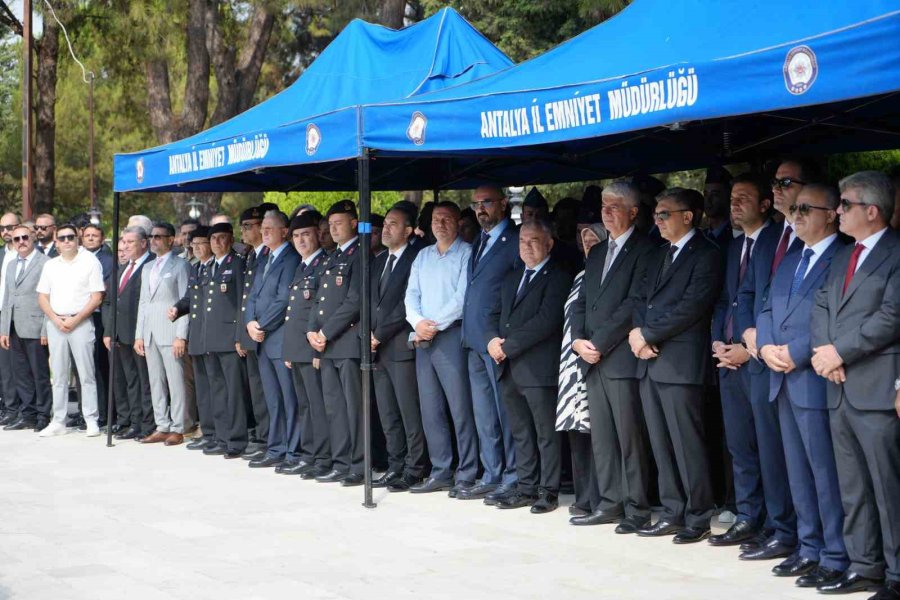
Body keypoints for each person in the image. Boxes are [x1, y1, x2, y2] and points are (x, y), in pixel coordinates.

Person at [810, 171, 900, 598]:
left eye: (844, 205)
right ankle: (865, 565)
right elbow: (822, 305)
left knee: (887, 486)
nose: (837, 211)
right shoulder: (845, 255)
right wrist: (822, 352)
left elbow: (891, 317)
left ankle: (897, 574)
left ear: (871, 210)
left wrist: (838, 352)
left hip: (876, 386)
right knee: (853, 485)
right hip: (839, 385)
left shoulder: (898, 253)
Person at [757, 183, 848, 588]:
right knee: (798, 473)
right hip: (781, 377)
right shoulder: (791, 257)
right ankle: (808, 548)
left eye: (805, 208)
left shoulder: (844, 257)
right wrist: (763, 346)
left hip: (814, 379)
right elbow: (765, 307)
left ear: (831, 213)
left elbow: (833, 319)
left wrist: (794, 351)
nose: (795, 215)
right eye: (793, 209)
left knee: (824, 474)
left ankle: (835, 553)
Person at [628, 188, 723, 544]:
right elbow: (640, 298)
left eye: (665, 213)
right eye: (656, 213)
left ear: (688, 216)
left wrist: (648, 334)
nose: (658, 219)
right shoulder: (658, 254)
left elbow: (693, 305)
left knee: (687, 442)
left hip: (680, 360)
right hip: (648, 358)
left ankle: (697, 515)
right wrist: (638, 334)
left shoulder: (706, 254)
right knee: (661, 441)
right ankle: (672, 511)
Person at [709, 173, 797, 554]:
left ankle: (779, 525)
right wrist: (718, 341)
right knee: (740, 445)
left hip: (760, 361)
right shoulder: (733, 246)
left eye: (744, 196)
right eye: (732, 197)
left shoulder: (778, 242)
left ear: (765, 204)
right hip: (729, 359)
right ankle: (749, 516)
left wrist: (748, 348)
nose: (735, 203)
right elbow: (726, 299)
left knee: (770, 448)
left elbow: (771, 306)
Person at [734, 159, 812, 560]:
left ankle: (803, 537)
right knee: (770, 450)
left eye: (786, 182)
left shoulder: (815, 238)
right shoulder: (768, 238)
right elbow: (748, 293)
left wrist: (770, 343)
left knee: (798, 457)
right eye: (775, 182)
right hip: (760, 356)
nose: (777, 189)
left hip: (794, 362)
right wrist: (750, 333)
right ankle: (781, 530)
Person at [570, 179, 655, 532]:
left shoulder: (647, 249)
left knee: (629, 437)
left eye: (614, 206)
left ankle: (636, 508)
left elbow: (634, 304)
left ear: (633, 212)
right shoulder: (598, 252)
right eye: (603, 206)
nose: (605, 212)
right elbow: (582, 303)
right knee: (603, 436)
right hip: (591, 357)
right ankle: (609, 501)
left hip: (619, 357)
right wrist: (578, 340)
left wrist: (599, 343)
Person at [487, 219, 571, 513]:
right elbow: (496, 314)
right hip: (510, 368)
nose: (527, 246)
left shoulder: (558, 276)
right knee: (521, 432)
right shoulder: (512, 277)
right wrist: (490, 342)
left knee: (545, 433)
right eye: (523, 241)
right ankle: (525, 487)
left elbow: (546, 321)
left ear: (549, 244)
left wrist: (506, 347)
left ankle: (548, 491)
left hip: (538, 370)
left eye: (534, 241)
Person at [404, 201, 478, 494]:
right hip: (423, 337)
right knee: (431, 408)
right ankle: (441, 470)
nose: (440, 224)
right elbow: (411, 295)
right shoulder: (423, 256)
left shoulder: (466, 253)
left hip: (450, 336)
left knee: (460, 408)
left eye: (447, 218)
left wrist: (433, 325)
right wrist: (418, 322)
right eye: (436, 219)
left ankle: (468, 470)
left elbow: (462, 298)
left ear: (458, 222)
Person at [460, 184, 520, 503]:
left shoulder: (514, 241)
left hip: (496, 339)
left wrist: (503, 333)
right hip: (472, 338)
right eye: (476, 204)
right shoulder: (479, 241)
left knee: (504, 411)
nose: (480, 209)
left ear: (504, 204)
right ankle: (491, 472)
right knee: (484, 414)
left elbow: (514, 292)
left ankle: (513, 475)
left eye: (486, 203)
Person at [370, 204, 428, 492]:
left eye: (394, 224)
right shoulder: (380, 261)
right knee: (388, 413)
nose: (386, 228)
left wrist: (378, 334)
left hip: (400, 346)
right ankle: (395, 465)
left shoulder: (415, 259)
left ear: (408, 230)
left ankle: (415, 467)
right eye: (386, 223)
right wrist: (369, 332)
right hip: (378, 348)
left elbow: (405, 305)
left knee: (409, 412)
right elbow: (372, 302)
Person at [307, 200, 364, 486]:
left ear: (354, 223)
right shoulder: (332, 257)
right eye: (330, 225)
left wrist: (325, 332)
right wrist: (311, 330)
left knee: (354, 409)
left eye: (338, 223)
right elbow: (318, 300)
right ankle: (341, 462)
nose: (333, 228)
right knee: (335, 409)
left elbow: (354, 301)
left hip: (347, 342)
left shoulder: (360, 254)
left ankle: (359, 464)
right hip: (326, 345)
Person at [181, 223, 247, 459]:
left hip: (229, 338)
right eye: (214, 239)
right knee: (217, 391)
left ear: (230, 239)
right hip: (210, 337)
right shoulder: (208, 268)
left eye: (222, 238)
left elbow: (242, 302)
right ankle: (220, 436)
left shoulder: (237, 264)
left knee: (233, 391)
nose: (217, 243)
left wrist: (240, 336)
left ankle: (236, 439)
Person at [555, 222, 606, 518]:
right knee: (577, 431)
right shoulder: (580, 275)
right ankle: (584, 496)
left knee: (596, 432)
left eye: (594, 240)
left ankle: (600, 497)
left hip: (593, 358)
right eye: (584, 240)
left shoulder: (603, 276)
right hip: (570, 363)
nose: (588, 245)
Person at [35, 223, 105, 437]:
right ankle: (58, 420)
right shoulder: (51, 265)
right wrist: (56, 319)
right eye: (62, 238)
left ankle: (91, 419)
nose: (66, 241)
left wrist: (75, 320)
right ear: (56, 242)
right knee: (59, 374)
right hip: (56, 323)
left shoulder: (90, 262)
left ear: (78, 239)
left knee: (86, 374)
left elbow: (97, 297)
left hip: (81, 322)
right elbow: (42, 297)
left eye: (70, 237)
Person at [245, 210, 302, 470]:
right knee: (272, 399)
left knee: (289, 398)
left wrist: (262, 326)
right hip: (261, 339)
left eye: (270, 228)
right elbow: (253, 296)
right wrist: (249, 322)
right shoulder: (264, 257)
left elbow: (283, 299)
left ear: (284, 231)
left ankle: (293, 451)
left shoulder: (290, 258)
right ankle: (276, 447)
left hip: (277, 338)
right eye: (263, 228)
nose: (265, 231)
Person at [281, 212, 332, 478]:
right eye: (297, 236)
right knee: (305, 405)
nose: (301, 240)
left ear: (317, 235)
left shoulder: (324, 263)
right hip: (297, 349)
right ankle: (310, 453)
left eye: (306, 234)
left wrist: (315, 350)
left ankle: (323, 457)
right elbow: (295, 311)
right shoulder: (302, 265)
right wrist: (289, 350)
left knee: (317, 405)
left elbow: (320, 311)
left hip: (313, 348)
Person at [135, 222, 191, 446]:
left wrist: (181, 335)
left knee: (176, 381)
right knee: (155, 381)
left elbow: (186, 301)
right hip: (149, 332)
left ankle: (179, 426)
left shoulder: (181, 265)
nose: (154, 240)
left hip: (170, 330)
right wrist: (139, 334)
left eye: (159, 236)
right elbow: (143, 302)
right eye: (151, 236)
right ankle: (162, 424)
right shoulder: (148, 267)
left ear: (171, 239)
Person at [102, 226, 154, 441]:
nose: (124, 246)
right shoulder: (124, 267)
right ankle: (131, 420)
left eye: (130, 242)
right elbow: (114, 301)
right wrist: (109, 331)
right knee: (128, 381)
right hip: (120, 333)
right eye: (123, 242)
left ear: (143, 243)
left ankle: (145, 423)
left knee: (144, 382)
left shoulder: (150, 266)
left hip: (140, 334)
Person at [0, 225, 50, 431]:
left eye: (24, 237)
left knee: (39, 374)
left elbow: (49, 298)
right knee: (20, 373)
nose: (20, 242)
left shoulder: (46, 263)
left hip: (35, 325)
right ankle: (27, 414)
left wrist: (46, 329)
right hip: (13, 326)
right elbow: (8, 297)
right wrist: (4, 329)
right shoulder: (11, 264)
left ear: (33, 238)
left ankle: (43, 415)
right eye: (15, 239)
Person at [172, 227, 215, 451]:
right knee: (203, 387)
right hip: (197, 335)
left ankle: (217, 432)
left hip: (216, 337)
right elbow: (189, 298)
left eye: (201, 243)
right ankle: (207, 430)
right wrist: (177, 308)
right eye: (193, 245)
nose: (196, 248)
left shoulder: (219, 266)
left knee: (217, 387)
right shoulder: (196, 268)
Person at [236, 205, 271, 458]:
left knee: (267, 390)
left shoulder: (268, 255)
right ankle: (262, 434)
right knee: (256, 389)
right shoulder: (251, 255)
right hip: (250, 332)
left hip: (266, 331)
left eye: (249, 226)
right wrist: (241, 334)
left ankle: (269, 437)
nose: (244, 231)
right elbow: (245, 299)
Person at [0, 212, 21, 424]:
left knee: (20, 366)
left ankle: (24, 409)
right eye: (2, 228)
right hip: (2, 314)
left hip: (23, 317)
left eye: (10, 227)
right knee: (4, 366)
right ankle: (9, 407)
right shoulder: (1, 254)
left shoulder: (28, 253)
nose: (6, 231)